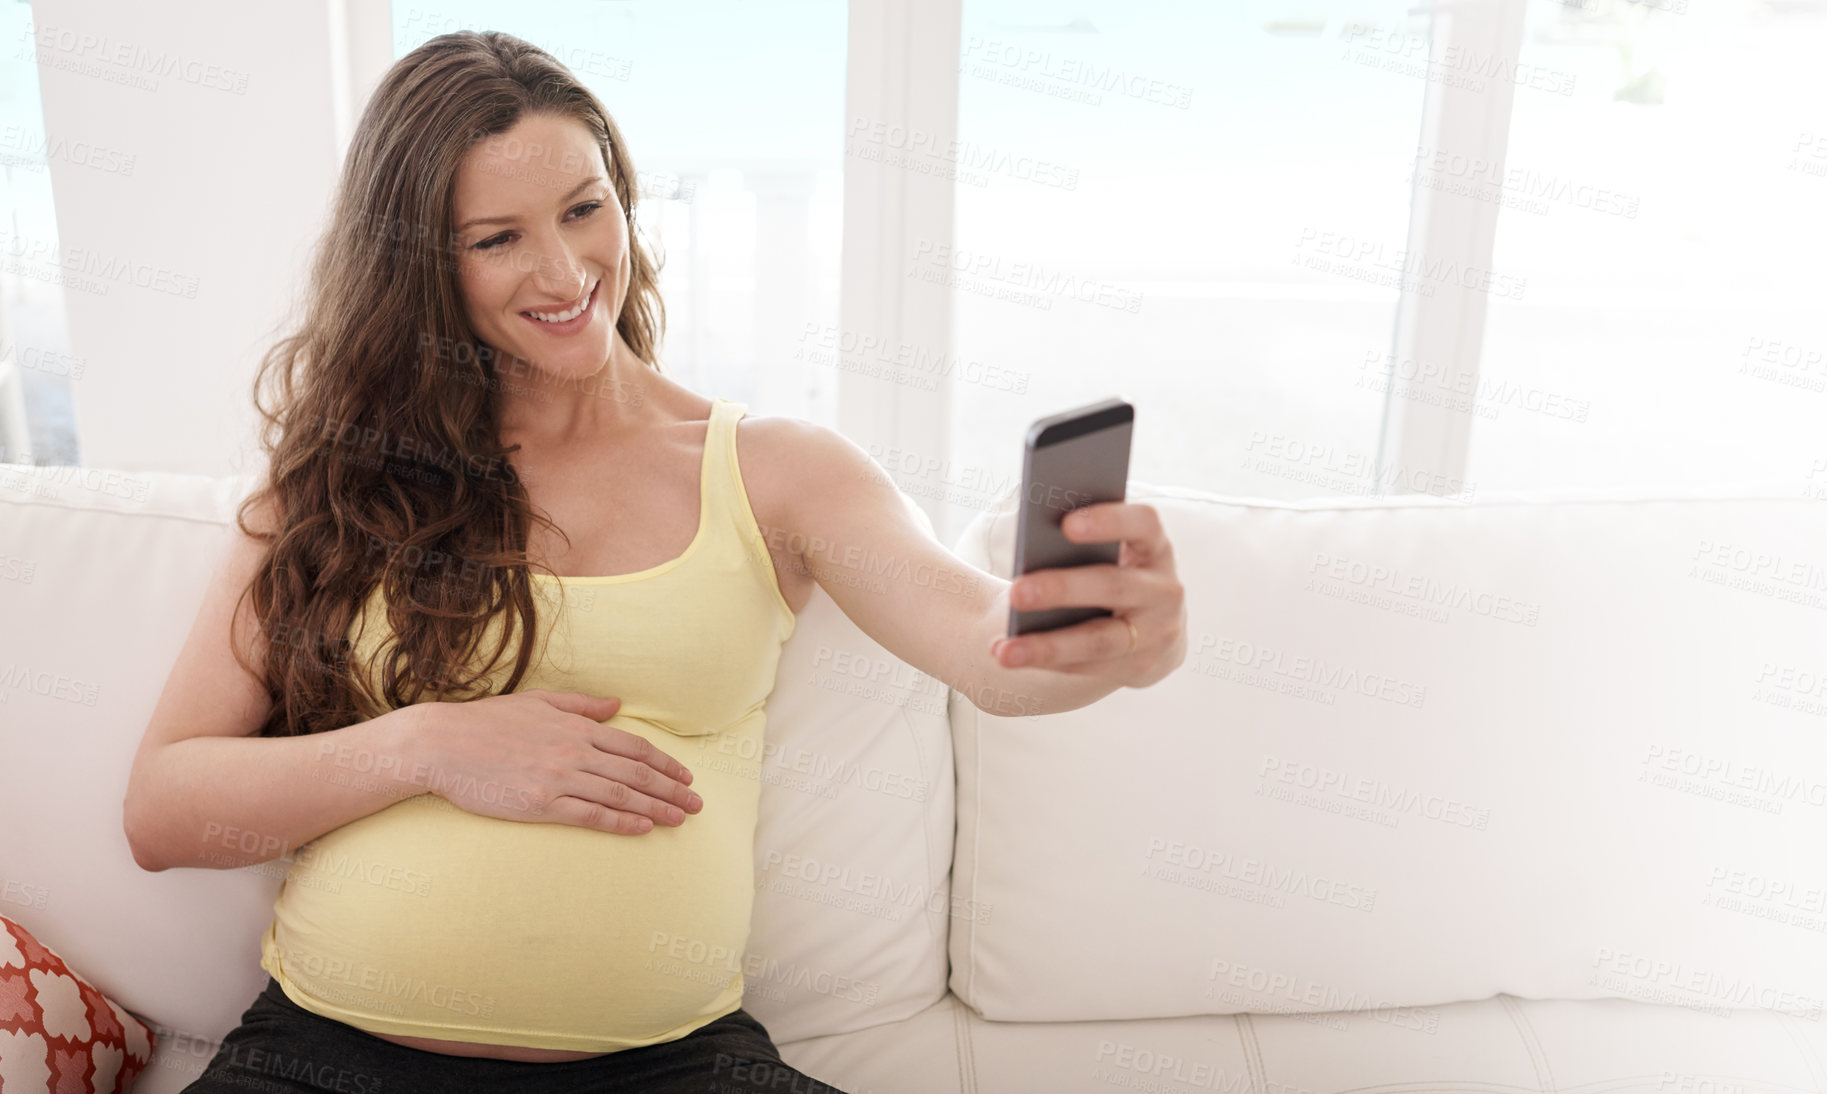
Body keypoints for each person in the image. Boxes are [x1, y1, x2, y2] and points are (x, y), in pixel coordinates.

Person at [121, 29, 1186, 1094]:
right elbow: (164, 807)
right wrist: (426, 744)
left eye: (585, 209)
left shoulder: (774, 471)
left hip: (669, 1067)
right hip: (326, 1056)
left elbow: (990, 649)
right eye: (497, 239)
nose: (564, 269)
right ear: (417, 264)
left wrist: (1123, 644)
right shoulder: (335, 485)